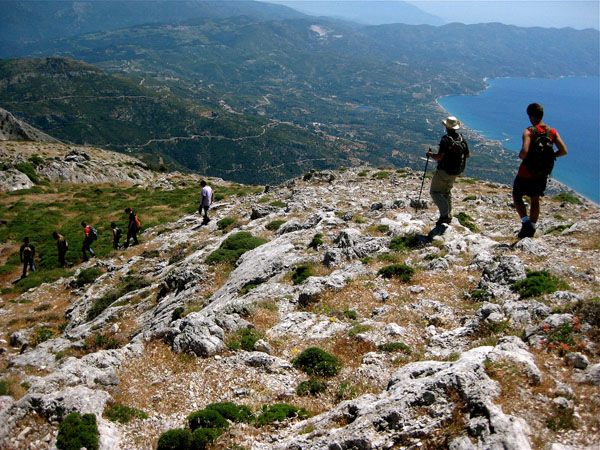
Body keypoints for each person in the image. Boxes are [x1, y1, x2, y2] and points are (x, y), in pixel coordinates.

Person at [513, 103, 567, 238]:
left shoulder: (529, 132)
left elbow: (524, 152)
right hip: (542, 173)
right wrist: (550, 155)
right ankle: (533, 226)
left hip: (526, 171)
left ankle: (525, 222)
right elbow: (563, 151)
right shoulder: (552, 132)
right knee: (535, 199)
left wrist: (522, 155)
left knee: (517, 195)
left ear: (531, 116)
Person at [427, 116, 470, 226]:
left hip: (443, 171)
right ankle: (449, 215)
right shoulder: (461, 139)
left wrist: (431, 155)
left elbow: (440, 157)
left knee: (435, 192)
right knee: (446, 192)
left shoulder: (446, 139)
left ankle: (444, 215)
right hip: (456, 171)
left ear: (446, 127)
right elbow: (467, 155)